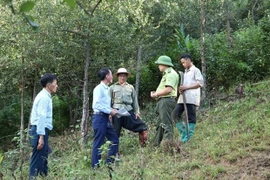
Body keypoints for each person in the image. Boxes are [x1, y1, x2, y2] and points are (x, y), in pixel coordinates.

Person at [29, 73, 58, 178]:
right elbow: (41, 117)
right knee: (37, 160)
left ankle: (43, 177)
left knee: (43, 159)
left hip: (41, 130)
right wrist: (41, 136)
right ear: (49, 85)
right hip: (39, 130)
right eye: (55, 83)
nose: (57, 86)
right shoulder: (44, 98)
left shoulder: (46, 96)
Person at [109, 68, 148, 146]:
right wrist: (109, 113)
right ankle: (114, 152)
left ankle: (143, 145)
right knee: (115, 132)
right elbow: (109, 101)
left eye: (124, 76)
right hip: (117, 111)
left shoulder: (130, 87)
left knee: (142, 126)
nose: (122, 78)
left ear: (126, 77)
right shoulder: (112, 87)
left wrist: (137, 112)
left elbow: (135, 100)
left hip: (128, 110)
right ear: (118, 76)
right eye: (121, 76)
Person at [91, 67, 119, 168]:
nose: (112, 76)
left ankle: (109, 162)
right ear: (107, 76)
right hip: (99, 118)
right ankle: (95, 166)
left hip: (105, 118)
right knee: (98, 142)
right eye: (111, 74)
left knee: (114, 139)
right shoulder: (98, 89)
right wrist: (110, 111)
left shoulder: (107, 89)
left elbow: (104, 105)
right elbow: (96, 105)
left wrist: (112, 110)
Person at [172, 54, 204, 143]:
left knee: (190, 117)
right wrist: (181, 89)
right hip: (183, 98)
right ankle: (184, 133)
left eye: (183, 62)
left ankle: (189, 136)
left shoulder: (195, 70)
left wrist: (186, 87)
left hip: (191, 97)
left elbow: (200, 83)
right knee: (175, 114)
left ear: (188, 60)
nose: (183, 64)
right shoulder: (185, 72)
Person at [150, 55, 179, 146]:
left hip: (166, 101)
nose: (158, 66)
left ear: (163, 64)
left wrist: (156, 94)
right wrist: (157, 93)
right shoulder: (167, 73)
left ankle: (168, 146)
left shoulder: (170, 74)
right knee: (160, 124)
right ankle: (156, 144)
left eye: (159, 64)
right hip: (163, 100)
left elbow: (168, 90)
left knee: (167, 124)